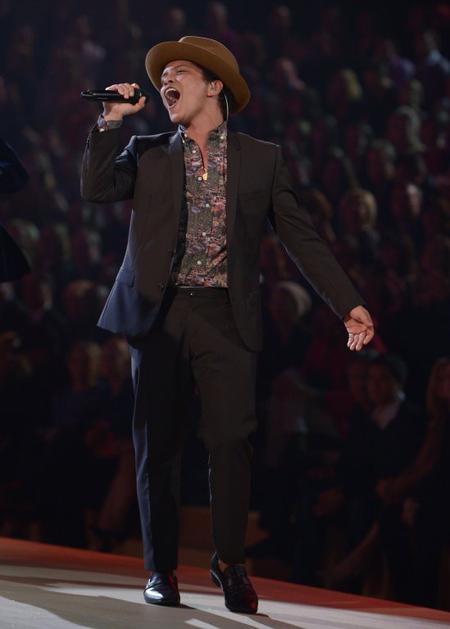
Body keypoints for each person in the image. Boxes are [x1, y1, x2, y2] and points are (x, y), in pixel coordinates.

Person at [81, 36, 374, 614]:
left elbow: (300, 237)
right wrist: (110, 120)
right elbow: (95, 189)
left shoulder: (261, 158)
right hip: (160, 312)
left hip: (225, 312)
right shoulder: (146, 151)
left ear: (215, 86)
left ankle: (230, 562)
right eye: (162, 76)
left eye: (179, 72)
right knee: (157, 443)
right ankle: (161, 568)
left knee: (231, 438)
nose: (166, 81)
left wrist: (347, 303)